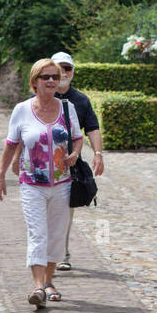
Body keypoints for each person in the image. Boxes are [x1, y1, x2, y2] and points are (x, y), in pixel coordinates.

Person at [0, 58, 83, 308]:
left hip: (62, 183)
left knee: (56, 237)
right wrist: (1, 175)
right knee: (38, 234)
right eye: (45, 77)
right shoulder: (22, 110)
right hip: (31, 183)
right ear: (35, 81)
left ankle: (47, 281)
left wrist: (75, 154)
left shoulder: (67, 109)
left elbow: (77, 138)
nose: (51, 81)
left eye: (55, 77)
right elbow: (11, 143)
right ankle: (37, 287)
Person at [50, 51, 104, 272]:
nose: (63, 72)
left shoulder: (81, 100)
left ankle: (62, 253)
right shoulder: (41, 97)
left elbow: (92, 128)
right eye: (59, 68)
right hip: (42, 165)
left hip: (69, 165)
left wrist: (98, 154)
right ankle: (46, 252)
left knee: (65, 211)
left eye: (68, 68)